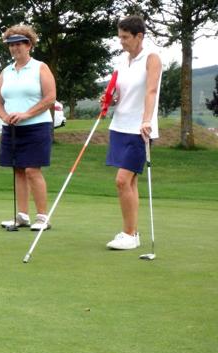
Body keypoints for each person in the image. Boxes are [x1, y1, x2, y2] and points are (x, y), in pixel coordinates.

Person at [0, 25, 56, 231]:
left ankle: (42, 217)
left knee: (32, 170)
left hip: (37, 126)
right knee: (18, 170)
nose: (15, 48)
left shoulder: (40, 67)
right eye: (11, 45)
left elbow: (50, 98)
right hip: (12, 128)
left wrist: (26, 114)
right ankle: (21, 215)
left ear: (29, 45)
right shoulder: (6, 72)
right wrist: (4, 117)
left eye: (19, 44)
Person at [105, 16, 161, 250]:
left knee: (122, 180)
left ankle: (130, 234)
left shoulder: (152, 58)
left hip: (140, 129)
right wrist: (109, 99)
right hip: (119, 126)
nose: (122, 42)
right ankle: (132, 233)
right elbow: (117, 91)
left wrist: (146, 120)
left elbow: (151, 91)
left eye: (126, 37)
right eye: (120, 37)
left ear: (139, 36)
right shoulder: (121, 60)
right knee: (129, 182)